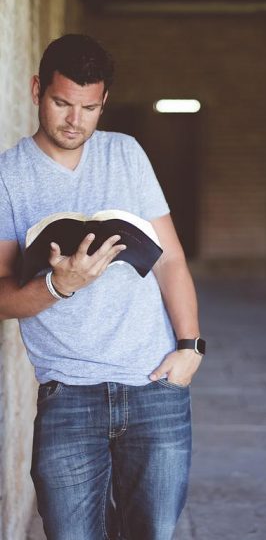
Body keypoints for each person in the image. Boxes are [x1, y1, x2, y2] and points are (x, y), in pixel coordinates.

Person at [0, 34, 205, 540]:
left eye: (89, 107)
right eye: (61, 103)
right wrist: (57, 285)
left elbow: (171, 258)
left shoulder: (126, 154)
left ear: (104, 102)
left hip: (154, 383)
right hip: (68, 393)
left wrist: (190, 346)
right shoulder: (8, 176)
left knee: (151, 533)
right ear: (36, 90)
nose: (75, 121)